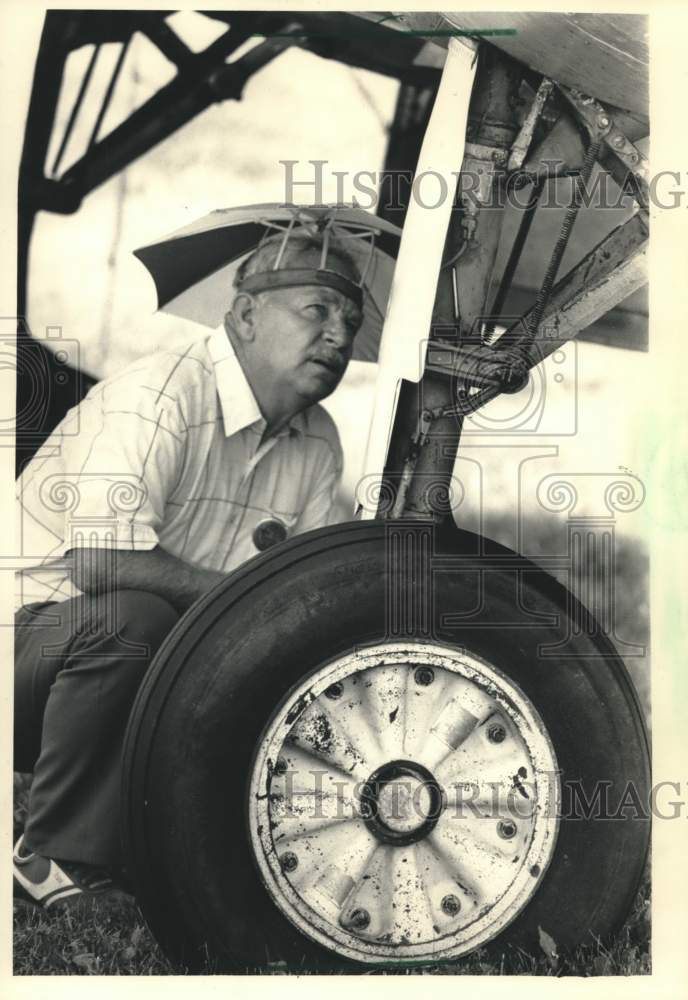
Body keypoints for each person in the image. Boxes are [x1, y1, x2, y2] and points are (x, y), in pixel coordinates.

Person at [13, 231, 364, 908]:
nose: (339, 335)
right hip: (24, 660)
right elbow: (98, 561)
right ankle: (49, 855)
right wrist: (237, 599)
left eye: (350, 320)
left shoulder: (318, 441)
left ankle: (180, 845)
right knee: (133, 618)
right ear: (246, 315)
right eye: (316, 310)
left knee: (272, 650)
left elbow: (302, 599)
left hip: (145, 681)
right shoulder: (159, 395)